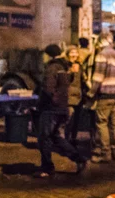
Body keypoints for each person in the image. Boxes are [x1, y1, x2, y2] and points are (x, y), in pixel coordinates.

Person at [35, 44, 86, 178]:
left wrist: (47, 101)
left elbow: (48, 88)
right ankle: (79, 158)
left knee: (44, 137)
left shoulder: (52, 68)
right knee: (56, 137)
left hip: (51, 108)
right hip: (63, 107)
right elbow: (68, 83)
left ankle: (47, 167)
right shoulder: (64, 67)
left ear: (49, 55)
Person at [87, 32, 115, 163]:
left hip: (106, 93)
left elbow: (98, 77)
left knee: (102, 122)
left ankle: (105, 153)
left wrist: (91, 93)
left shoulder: (102, 55)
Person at [65, 45, 85, 142]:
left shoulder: (80, 65)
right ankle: (66, 139)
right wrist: (70, 72)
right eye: (72, 52)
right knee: (69, 119)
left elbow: (82, 80)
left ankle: (73, 139)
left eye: (75, 52)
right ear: (67, 54)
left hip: (78, 97)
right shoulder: (65, 65)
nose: (74, 54)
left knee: (76, 120)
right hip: (69, 97)